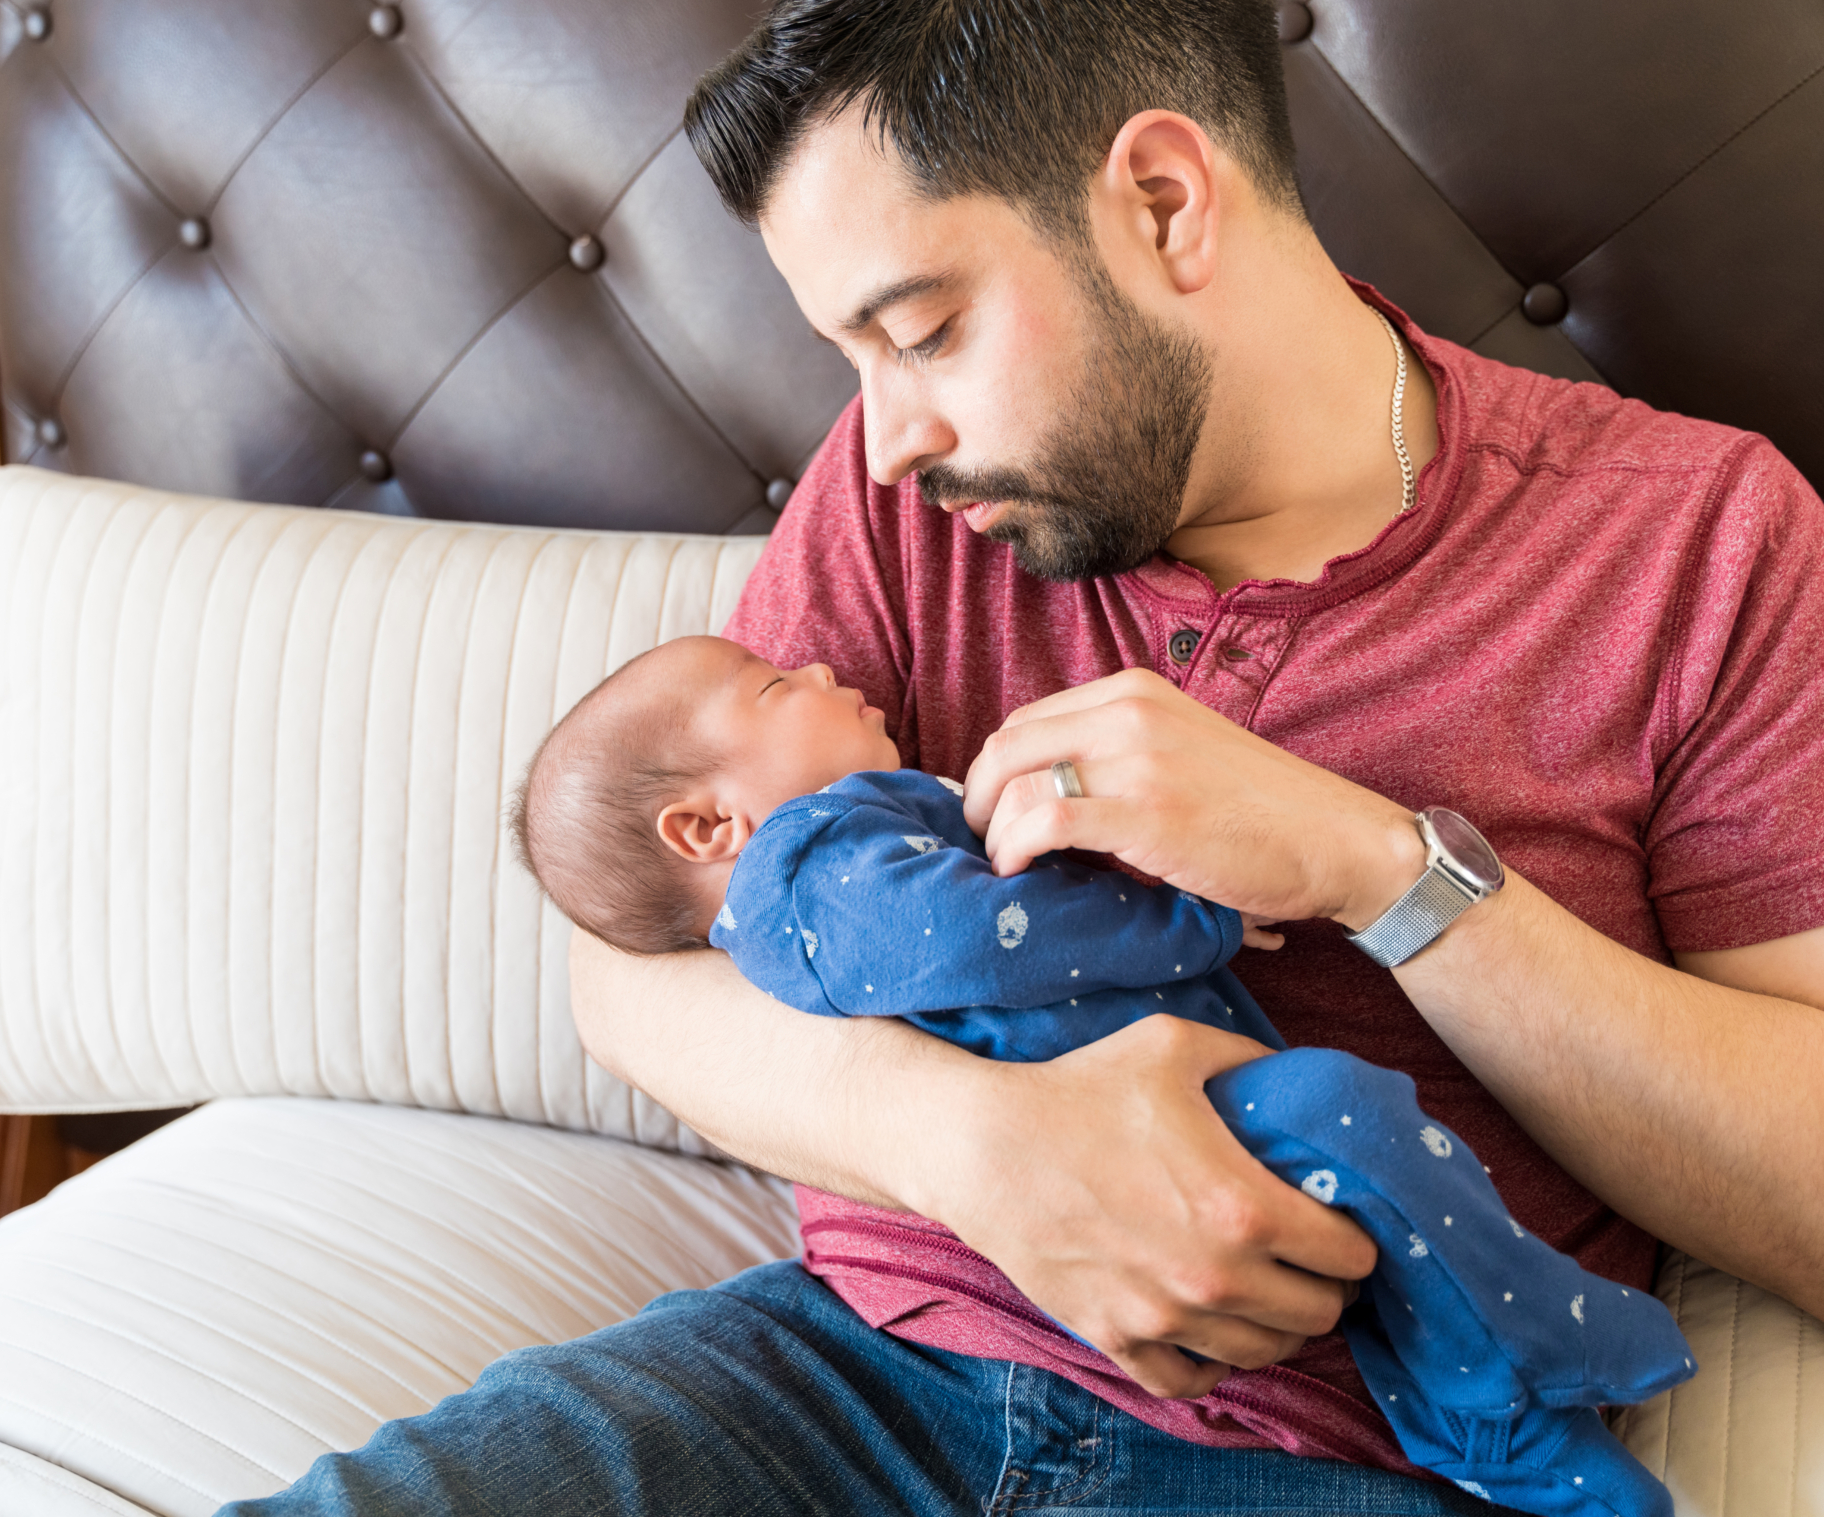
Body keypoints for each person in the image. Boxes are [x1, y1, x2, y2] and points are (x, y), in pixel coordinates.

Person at [225, 0, 1824, 1514]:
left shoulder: (1688, 542)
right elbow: (632, 965)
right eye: (854, 359)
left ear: (1164, 200)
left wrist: (1381, 871)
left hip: (1337, 1455)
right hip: (850, 1372)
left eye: (924, 330)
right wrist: (978, 1153)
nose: (888, 436)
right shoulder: (911, 498)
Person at [510, 632, 1697, 1516]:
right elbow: (986, 936)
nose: (818, 666)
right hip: (896, 1335)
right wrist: (1191, 921)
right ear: (702, 830)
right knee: (1343, 1112)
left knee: (1350, 1134)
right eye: (778, 686)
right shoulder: (811, 862)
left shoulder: (834, 846)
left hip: (1271, 1405)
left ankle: (1482, 1384)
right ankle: (1513, 1365)